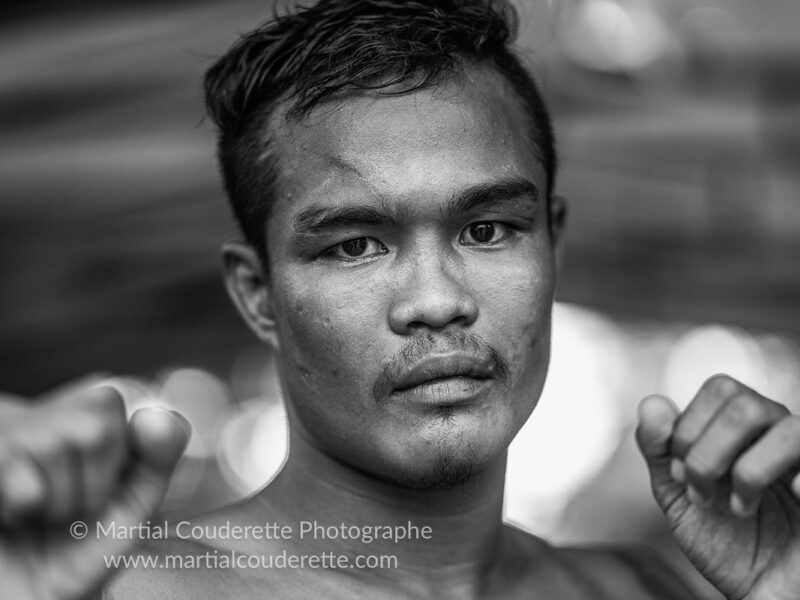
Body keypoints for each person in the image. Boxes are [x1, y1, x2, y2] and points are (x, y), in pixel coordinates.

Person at [2, 1, 800, 598]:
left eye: (488, 230)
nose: (436, 300)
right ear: (259, 297)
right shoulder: (122, 589)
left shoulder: (650, 589)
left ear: (552, 244)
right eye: (354, 245)